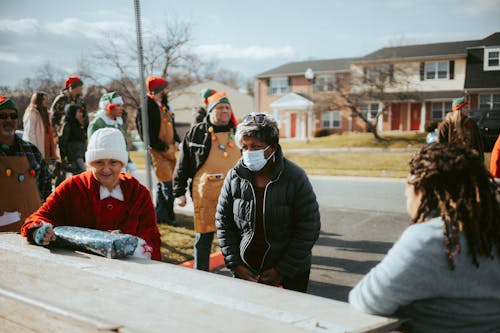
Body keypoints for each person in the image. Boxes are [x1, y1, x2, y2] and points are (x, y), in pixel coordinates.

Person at [348, 143, 500, 332]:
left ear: (419, 191)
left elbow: (366, 300)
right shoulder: (491, 227)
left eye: (407, 195)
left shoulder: (429, 240)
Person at [215, 113, 321, 291]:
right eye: (245, 147)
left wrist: (282, 270)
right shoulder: (235, 176)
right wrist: (235, 264)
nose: (249, 153)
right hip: (246, 269)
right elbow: (223, 222)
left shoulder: (295, 177)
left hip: (290, 272)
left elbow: (308, 227)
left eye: (256, 147)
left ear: (272, 148)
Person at [21, 128, 161, 260]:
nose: (106, 169)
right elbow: (40, 217)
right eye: (99, 162)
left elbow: (151, 237)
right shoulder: (73, 187)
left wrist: (132, 246)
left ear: (122, 163)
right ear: (89, 163)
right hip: (81, 270)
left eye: (113, 162)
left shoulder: (138, 193)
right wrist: (39, 231)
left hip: (130, 272)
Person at [173, 91, 240, 271]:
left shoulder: (239, 132)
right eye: (219, 108)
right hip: (206, 195)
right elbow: (183, 163)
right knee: (204, 237)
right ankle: (200, 273)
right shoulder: (197, 133)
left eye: (227, 107)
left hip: (235, 196)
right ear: (210, 111)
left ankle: (240, 274)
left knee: (236, 238)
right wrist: (179, 192)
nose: (224, 111)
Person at [0, 96, 52, 232]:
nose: (9, 120)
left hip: (32, 229)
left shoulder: (31, 150)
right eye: (3, 116)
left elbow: (46, 185)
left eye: (13, 116)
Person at [145, 76, 180, 225]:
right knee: (168, 185)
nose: (167, 91)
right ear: (159, 90)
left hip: (170, 150)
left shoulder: (164, 105)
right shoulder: (147, 106)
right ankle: (171, 216)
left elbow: (172, 125)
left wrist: (177, 140)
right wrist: (163, 147)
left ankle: (160, 215)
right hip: (158, 151)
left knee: (162, 185)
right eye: (165, 88)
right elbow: (147, 133)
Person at [88, 92, 136, 174]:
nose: (121, 108)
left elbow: (123, 145)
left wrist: (128, 161)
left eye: (121, 105)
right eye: (118, 105)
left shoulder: (119, 123)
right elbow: (93, 148)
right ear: (108, 107)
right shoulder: (97, 124)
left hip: (119, 165)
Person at [438, 96, 483, 160]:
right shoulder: (446, 125)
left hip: (469, 160)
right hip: (452, 161)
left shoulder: (472, 123)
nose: (468, 110)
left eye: (468, 107)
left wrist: (480, 159)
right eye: (465, 108)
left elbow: (478, 143)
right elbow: (440, 145)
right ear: (458, 110)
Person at [22, 91, 57, 163]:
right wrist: (33, 149)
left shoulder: (46, 113)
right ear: (38, 100)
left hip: (45, 143)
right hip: (37, 144)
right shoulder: (32, 112)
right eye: (44, 99)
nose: (46, 101)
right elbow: (30, 132)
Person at [58, 104, 87, 176]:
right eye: (78, 112)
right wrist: (63, 155)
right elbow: (63, 141)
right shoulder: (67, 124)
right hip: (73, 154)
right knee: (83, 171)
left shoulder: (79, 124)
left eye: (80, 112)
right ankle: (61, 167)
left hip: (79, 153)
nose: (80, 114)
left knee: (77, 173)